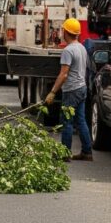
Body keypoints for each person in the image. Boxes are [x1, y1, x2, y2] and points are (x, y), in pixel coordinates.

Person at [44, 18, 93, 161]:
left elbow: (63, 74)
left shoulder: (68, 50)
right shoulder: (82, 48)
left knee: (67, 122)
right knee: (81, 120)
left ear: (66, 32)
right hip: (82, 88)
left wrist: (52, 92)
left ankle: (65, 153)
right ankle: (87, 152)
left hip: (71, 90)